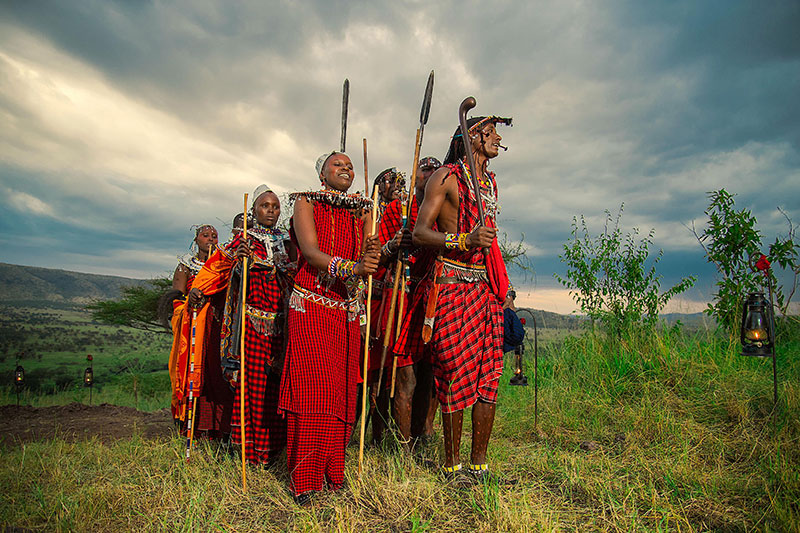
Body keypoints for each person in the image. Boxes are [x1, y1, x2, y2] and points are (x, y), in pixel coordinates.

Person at [413, 115, 511, 479]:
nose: (498, 138)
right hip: (453, 285)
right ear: (472, 137)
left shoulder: (489, 182)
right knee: (455, 376)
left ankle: (479, 465)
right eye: (491, 132)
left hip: (485, 289)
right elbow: (421, 232)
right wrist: (464, 240)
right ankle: (452, 466)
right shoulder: (446, 177)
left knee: (489, 379)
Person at [279, 151, 380, 504]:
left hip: (346, 311)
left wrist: (371, 252)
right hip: (311, 306)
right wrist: (352, 268)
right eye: (338, 164)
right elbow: (310, 253)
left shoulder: (363, 209)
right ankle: (305, 480)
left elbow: (370, 254)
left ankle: (332, 474)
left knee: (341, 394)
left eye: (350, 165)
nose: (346, 169)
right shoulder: (306, 201)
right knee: (313, 392)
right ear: (322, 173)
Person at [188, 185, 295, 464]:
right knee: (253, 387)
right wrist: (241, 263)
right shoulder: (242, 241)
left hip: (283, 324)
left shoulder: (287, 240)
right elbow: (219, 271)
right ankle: (250, 452)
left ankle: (274, 449)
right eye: (264, 206)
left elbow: (297, 272)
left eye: (275, 206)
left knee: (277, 387)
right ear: (254, 210)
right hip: (251, 323)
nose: (271, 211)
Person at [377, 156, 441, 447]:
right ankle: (401, 445)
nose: (428, 173)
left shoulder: (443, 206)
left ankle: (423, 435)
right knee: (405, 372)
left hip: (434, 296)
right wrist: (394, 244)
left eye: (434, 170)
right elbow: (376, 255)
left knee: (432, 372)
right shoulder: (396, 209)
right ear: (416, 175)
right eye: (423, 169)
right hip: (402, 295)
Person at [167, 225, 218, 422]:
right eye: (205, 236)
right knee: (191, 373)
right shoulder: (185, 267)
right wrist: (191, 302)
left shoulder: (221, 266)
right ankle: (188, 423)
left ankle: (212, 426)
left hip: (215, 327)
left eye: (214, 236)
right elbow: (177, 301)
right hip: (193, 327)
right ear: (196, 240)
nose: (210, 239)